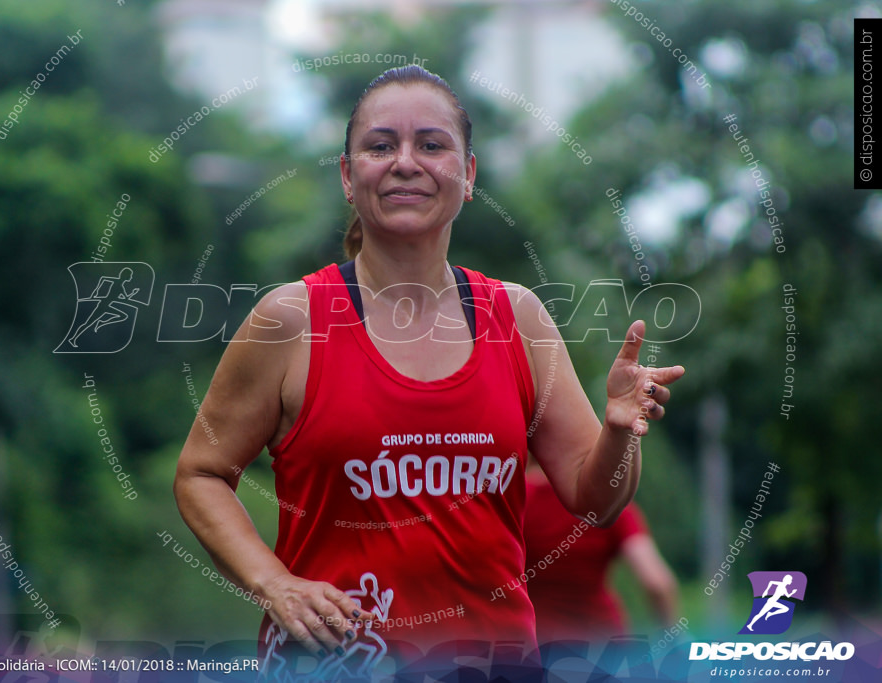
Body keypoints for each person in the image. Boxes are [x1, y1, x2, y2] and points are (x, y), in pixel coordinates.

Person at [173, 65, 685, 674]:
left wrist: (621, 433)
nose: (406, 162)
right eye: (381, 145)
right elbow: (200, 475)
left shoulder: (517, 316)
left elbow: (593, 500)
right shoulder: (291, 319)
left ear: (467, 176)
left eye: (433, 145)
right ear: (347, 175)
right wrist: (275, 583)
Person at [523, 463, 678, 642]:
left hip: (538, 645)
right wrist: (671, 637)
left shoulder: (514, 498)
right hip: (604, 643)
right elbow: (657, 583)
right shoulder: (609, 503)